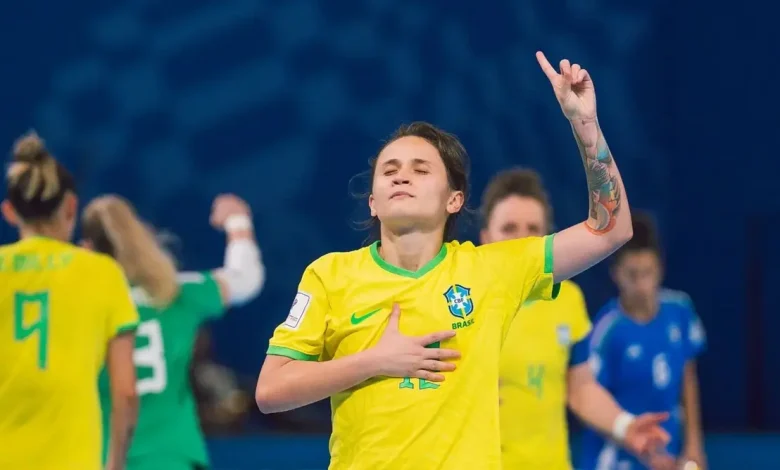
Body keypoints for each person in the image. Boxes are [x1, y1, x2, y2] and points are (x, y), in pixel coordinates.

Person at [256, 52, 665, 469]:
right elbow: (270, 391)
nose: (402, 176)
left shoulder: (492, 270)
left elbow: (611, 229)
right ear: (374, 202)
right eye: (390, 169)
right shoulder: (329, 275)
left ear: (454, 199)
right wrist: (373, 361)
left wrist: (585, 124)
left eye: (420, 169)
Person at [480, 169, 668, 470]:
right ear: (485, 238)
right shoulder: (459, 303)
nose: (521, 241)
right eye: (509, 228)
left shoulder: (567, 298)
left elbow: (580, 389)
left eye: (533, 229)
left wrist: (625, 427)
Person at [82, 193, 265, 470]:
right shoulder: (177, 293)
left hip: (103, 458)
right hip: (173, 457)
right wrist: (237, 220)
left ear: (87, 248)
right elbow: (246, 278)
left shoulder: (78, 306)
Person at [0, 131, 139, 470]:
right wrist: (116, 464)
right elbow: (126, 392)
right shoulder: (103, 273)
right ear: (71, 207)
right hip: (74, 460)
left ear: (9, 212)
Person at [579, 214, 707, 470]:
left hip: (669, 451)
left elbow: (687, 377)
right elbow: (590, 402)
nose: (641, 285)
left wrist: (694, 445)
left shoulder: (680, 310)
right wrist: (647, 453)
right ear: (616, 274)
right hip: (616, 459)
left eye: (647, 273)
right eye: (632, 275)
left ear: (660, 268)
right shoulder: (605, 331)